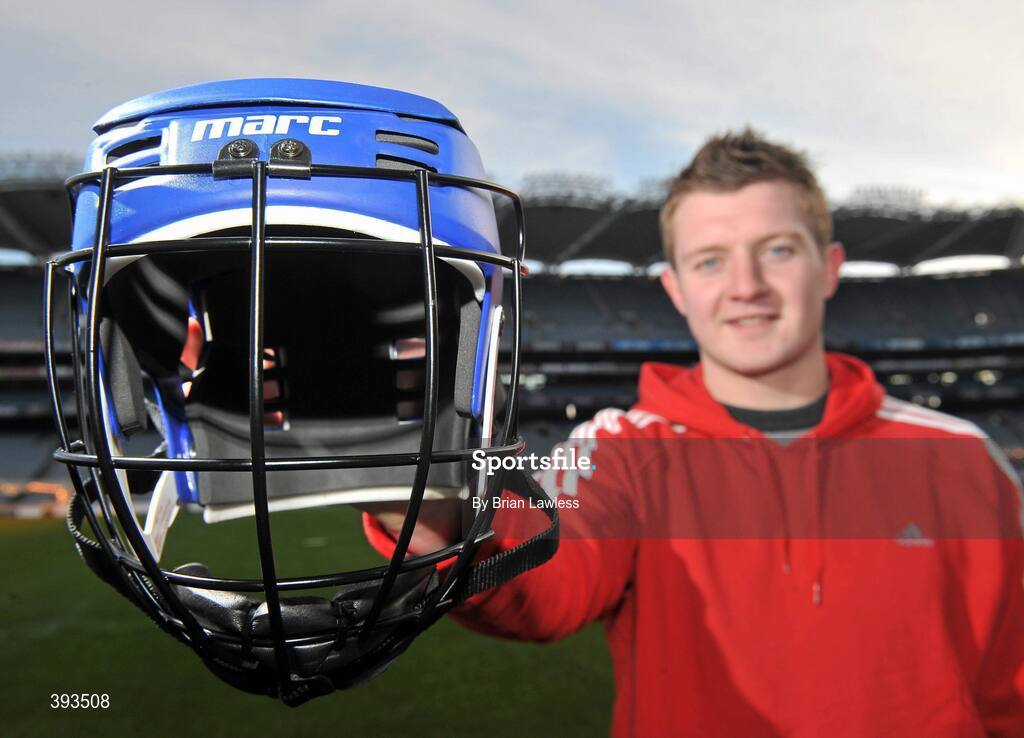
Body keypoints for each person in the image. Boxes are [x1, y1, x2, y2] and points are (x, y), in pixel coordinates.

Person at [364, 129, 1024, 737]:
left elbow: (1009, 688)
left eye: (778, 250)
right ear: (675, 289)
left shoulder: (960, 458)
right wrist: (434, 511)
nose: (746, 287)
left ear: (830, 267)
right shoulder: (619, 452)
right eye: (710, 261)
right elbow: (545, 579)